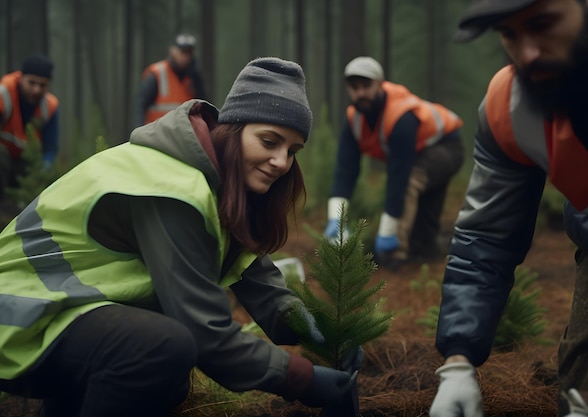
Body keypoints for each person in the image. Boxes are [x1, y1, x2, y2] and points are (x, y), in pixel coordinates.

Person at [0, 57, 361, 417]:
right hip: (20, 316)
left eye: (292, 151)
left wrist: (318, 328)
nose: (281, 161)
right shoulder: (171, 186)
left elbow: (258, 278)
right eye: (269, 141)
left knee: (167, 374)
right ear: (232, 129)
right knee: (160, 349)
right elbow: (206, 334)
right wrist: (303, 379)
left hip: (64, 314)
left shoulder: (216, 185)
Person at [429, 1, 588, 417]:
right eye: (510, 34)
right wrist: (458, 359)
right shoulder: (508, 108)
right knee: (580, 384)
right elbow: (486, 235)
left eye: (543, 24)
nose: (528, 53)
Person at [323, 56, 464, 268]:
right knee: (424, 235)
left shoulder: (401, 117)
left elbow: (399, 176)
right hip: (421, 152)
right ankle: (429, 246)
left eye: (366, 86)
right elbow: (345, 170)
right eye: (354, 87)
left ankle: (395, 254)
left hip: (446, 149)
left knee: (409, 182)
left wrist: (388, 233)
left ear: (380, 84)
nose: (360, 93)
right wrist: (336, 219)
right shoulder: (354, 119)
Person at [0, 53, 59, 197]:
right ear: (21, 78)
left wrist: (44, 169)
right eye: (32, 83)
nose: (36, 90)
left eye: (42, 85)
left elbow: (50, 148)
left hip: (25, 163)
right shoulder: (3, 95)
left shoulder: (50, 106)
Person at [135, 33, 206, 126]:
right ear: (172, 51)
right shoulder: (158, 73)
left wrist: (197, 80)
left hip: (184, 135)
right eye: (183, 52)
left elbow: (202, 105)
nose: (186, 57)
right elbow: (141, 104)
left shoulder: (193, 77)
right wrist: (140, 131)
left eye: (189, 53)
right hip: (156, 134)